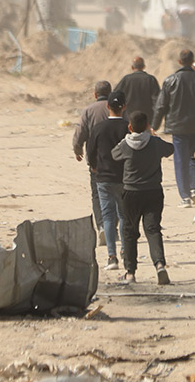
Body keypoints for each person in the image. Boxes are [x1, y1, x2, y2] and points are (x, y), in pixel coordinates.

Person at [112, 110, 175, 285]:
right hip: (153, 191)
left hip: (131, 192)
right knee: (153, 229)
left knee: (130, 232)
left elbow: (114, 154)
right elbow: (171, 149)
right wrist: (154, 136)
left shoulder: (125, 144)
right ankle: (160, 265)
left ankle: (130, 273)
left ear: (130, 127)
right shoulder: (154, 142)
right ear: (147, 126)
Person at [153, 50, 195, 206]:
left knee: (180, 160)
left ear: (179, 62)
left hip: (178, 127)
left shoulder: (170, 80)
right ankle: (194, 189)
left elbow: (161, 105)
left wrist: (154, 125)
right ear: (192, 62)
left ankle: (185, 196)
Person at [87, 91, 130, 271]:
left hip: (103, 178)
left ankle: (111, 257)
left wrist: (95, 168)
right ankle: (125, 251)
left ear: (107, 107)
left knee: (107, 216)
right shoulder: (129, 127)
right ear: (124, 107)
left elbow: (90, 153)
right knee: (123, 215)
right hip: (125, 178)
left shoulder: (98, 128)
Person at [74, 80, 113, 244]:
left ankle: (102, 226)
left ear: (95, 95)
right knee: (116, 194)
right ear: (110, 93)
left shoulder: (89, 110)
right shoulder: (117, 109)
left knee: (97, 195)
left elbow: (80, 132)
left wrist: (78, 149)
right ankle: (113, 227)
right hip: (117, 159)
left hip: (96, 160)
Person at [115, 57, 161, 124]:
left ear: (132, 67)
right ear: (144, 67)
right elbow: (157, 99)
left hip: (129, 116)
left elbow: (116, 95)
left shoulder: (126, 79)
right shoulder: (151, 79)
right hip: (147, 118)